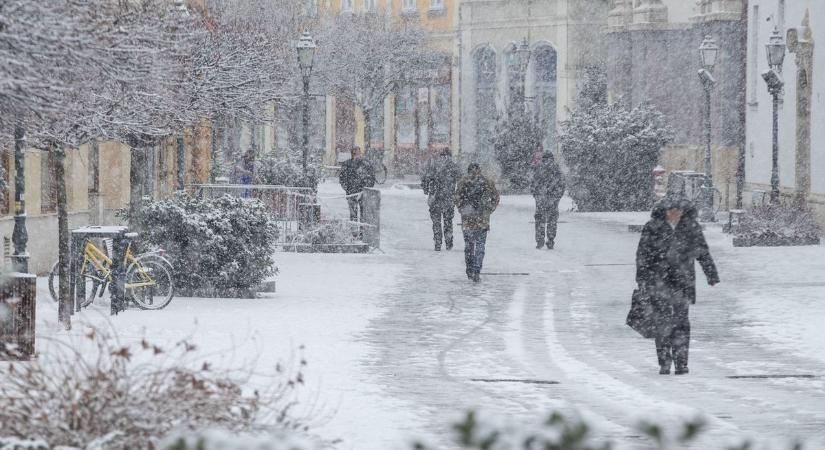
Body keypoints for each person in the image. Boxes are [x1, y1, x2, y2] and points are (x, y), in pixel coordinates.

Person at [635, 197, 720, 375]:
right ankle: (664, 362)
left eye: (679, 211)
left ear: (684, 212)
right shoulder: (652, 227)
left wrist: (711, 274)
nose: (675, 214)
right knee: (662, 322)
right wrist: (642, 279)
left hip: (683, 282)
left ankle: (681, 363)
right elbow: (642, 254)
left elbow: (702, 251)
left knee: (681, 323)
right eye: (671, 211)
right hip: (658, 281)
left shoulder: (691, 228)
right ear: (664, 212)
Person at [455, 163, 500, 282]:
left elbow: (457, 198)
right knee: (480, 245)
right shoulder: (487, 182)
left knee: (469, 246)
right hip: (482, 220)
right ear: (479, 170)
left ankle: (469, 269)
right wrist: (489, 210)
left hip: (468, 220)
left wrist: (462, 210)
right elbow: (496, 197)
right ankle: (477, 269)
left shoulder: (463, 182)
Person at [421, 147, 460, 251]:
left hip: (435, 198)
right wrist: (457, 194)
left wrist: (426, 190)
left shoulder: (434, 165)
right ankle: (448, 243)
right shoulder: (453, 166)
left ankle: (438, 243)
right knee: (448, 222)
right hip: (448, 198)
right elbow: (461, 181)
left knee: (436, 222)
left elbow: (425, 178)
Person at [530, 150, 565, 249]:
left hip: (541, 198)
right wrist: (557, 197)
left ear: (543, 158)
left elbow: (533, 184)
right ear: (552, 158)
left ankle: (540, 240)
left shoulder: (538, 168)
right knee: (552, 219)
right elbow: (562, 184)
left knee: (540, 219)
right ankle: (550, 239)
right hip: (553, 199)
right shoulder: (557, 169)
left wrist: (537, 196)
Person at [339, 146, 376, 225]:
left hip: (363, 193)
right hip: (351, 193)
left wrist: (367, 189)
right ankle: (354, 233)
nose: (356, 154)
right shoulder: (347, 164)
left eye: (358, 152)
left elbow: (372, 178)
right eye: (354, 153)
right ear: (352, 154)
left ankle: (362, 233)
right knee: (353, 215)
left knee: (363, 215)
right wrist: (347, 189)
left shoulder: (366, 164)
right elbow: (342, 178)